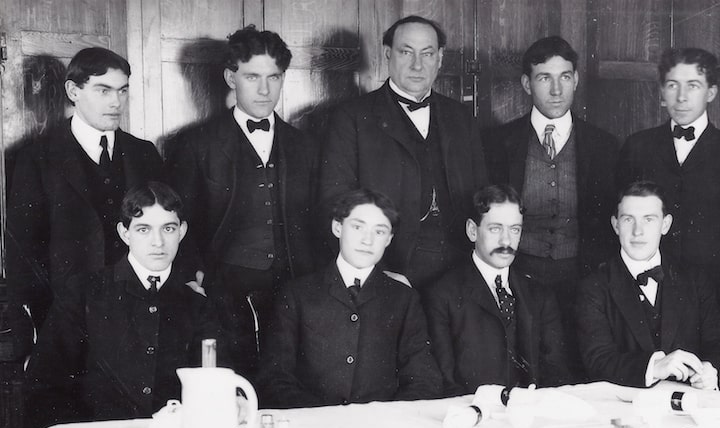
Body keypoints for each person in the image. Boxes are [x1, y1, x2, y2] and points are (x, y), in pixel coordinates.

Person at [167, 25, 323, 373]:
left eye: (274, 77)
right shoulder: (195, 144)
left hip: (294, 288)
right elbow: (178, 221)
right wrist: (194, 279)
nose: (265, 89)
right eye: (252, 76)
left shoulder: (307, 146)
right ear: (230, 77)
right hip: (224, 290)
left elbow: (319, 223)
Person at [25, 182, 221, 428]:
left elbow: (215, 384)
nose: (158, 242)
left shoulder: (197, 300)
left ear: (181, 231)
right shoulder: (85, 291)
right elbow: (45, 383)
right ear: (124, 233)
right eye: (143, 229)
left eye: (168, 228)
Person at [319, 15, 488, 289]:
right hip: (390, 267)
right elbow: (335, 203)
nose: (417, 65)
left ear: (440, 58)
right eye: (406, 52)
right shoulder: (351, 117)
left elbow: (482, 194)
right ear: (388, 54)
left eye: (427, 53)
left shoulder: (460, 116)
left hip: (459, 267)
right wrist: (377, 271)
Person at [6, 47, 164, 327]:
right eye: (104, 91)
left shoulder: (144, 153)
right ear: (73, 91)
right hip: (66, 316)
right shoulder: (36, 157)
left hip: (137, 311)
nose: (116, 102)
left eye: (123, 91)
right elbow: (23, 253)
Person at [257, 189, 442, 407]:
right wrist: (324, 418)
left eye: (379, 232)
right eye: (357, 227)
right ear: (338, 227)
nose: (367, 240)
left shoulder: (404, 299)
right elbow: (275, 377)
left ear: (389, 239)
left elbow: (423, 379)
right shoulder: (298, 294)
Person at [616, 47, 720, 328]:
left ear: (711, 93)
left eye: (693, 86)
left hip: (714, 293)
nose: (681, 97)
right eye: (672, 85)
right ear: (661, 92)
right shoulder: (637, 147)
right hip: (646, 287)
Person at [484, 36, 619, 316]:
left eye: (565, 77)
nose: (557, 90)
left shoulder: (604, 145)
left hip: (582, 278)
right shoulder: (498, 143)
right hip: (517, 275)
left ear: (576, 80)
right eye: (545, 78)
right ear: (526, 84)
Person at [576, 181, 720, 389]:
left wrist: (712, 371)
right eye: (628, 219)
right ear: (615, 225)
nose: (637, 231)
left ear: (665, 225)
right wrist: (653, 368)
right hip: (624, 410)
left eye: (648, 220)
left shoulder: (694, 281)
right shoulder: (593, 287)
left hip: (687, 407)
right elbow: (597, 361)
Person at [424, 185, 572, 396]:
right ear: (472, 231)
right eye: (495, 229)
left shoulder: (540, 295)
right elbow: (445, 381)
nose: (506, 241)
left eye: (515, 229)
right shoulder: (441, 295)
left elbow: (556, 374)